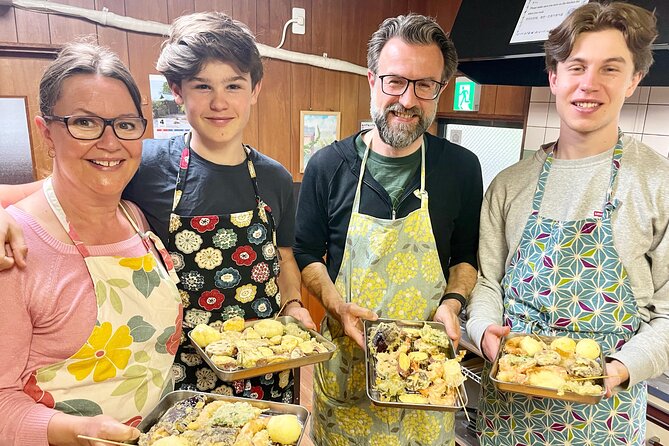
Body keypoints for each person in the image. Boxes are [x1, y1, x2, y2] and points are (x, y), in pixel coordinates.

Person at [0, 12, 314, 403]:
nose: (219, 102)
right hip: (179, 376)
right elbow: (58, 190)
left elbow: (284, 256)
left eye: (233, 85)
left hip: (266, 365)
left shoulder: (275, 178)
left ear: (255, 90)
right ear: (177, 92)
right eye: (202, 86)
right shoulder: (142, 165)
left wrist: (293, 303)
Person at [466, 3, 669, 445]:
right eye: (576, 66)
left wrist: (617, 369)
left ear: (635, 79)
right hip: (509, 413)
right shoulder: (509, 184)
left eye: (610, 69)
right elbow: (488, 283)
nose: (589, 84)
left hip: (604, 417)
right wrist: (483, 331)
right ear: (554, 76)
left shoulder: (659, 183)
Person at [294, 13, 483, 446]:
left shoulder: (460, 168)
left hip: (427, 382)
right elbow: (307, 253)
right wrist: (337, 305)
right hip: (348, 372)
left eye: (424, 85)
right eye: (394, 81)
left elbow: (466, 257)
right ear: (371, 80)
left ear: (440, 89)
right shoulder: (327, 166)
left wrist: (452, 305)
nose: (408, 99)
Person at [0, 42, 183, 445]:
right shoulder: (12, 248)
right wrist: (79, 430)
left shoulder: (136, 219)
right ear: (46, 131)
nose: (109, 141)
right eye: (84, 123)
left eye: (125, 123)